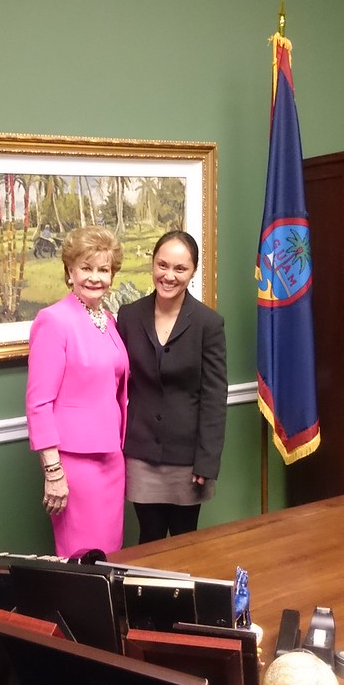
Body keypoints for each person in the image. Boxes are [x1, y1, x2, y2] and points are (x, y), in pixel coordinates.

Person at [117, 230, 227, 544]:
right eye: (162, 265)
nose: (169, 275)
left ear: (192, 272)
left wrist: (207, 461)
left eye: (180, 269)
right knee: (149, 539)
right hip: (141, 453)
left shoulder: (209, 324)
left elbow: (214, 397)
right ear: (152, 264)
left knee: (183, 542)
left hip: (189, 459)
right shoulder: (128, 316)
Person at [26, 226, 129, 558]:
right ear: (70, 272)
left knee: (110, 556)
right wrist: (53, 472)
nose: (95, 277)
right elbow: (38, 403)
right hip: (74, 465)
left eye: (103, 269)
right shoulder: (53, 320)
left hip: (112, 458)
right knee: (82, 558)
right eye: (86, 268)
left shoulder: (108, 320)